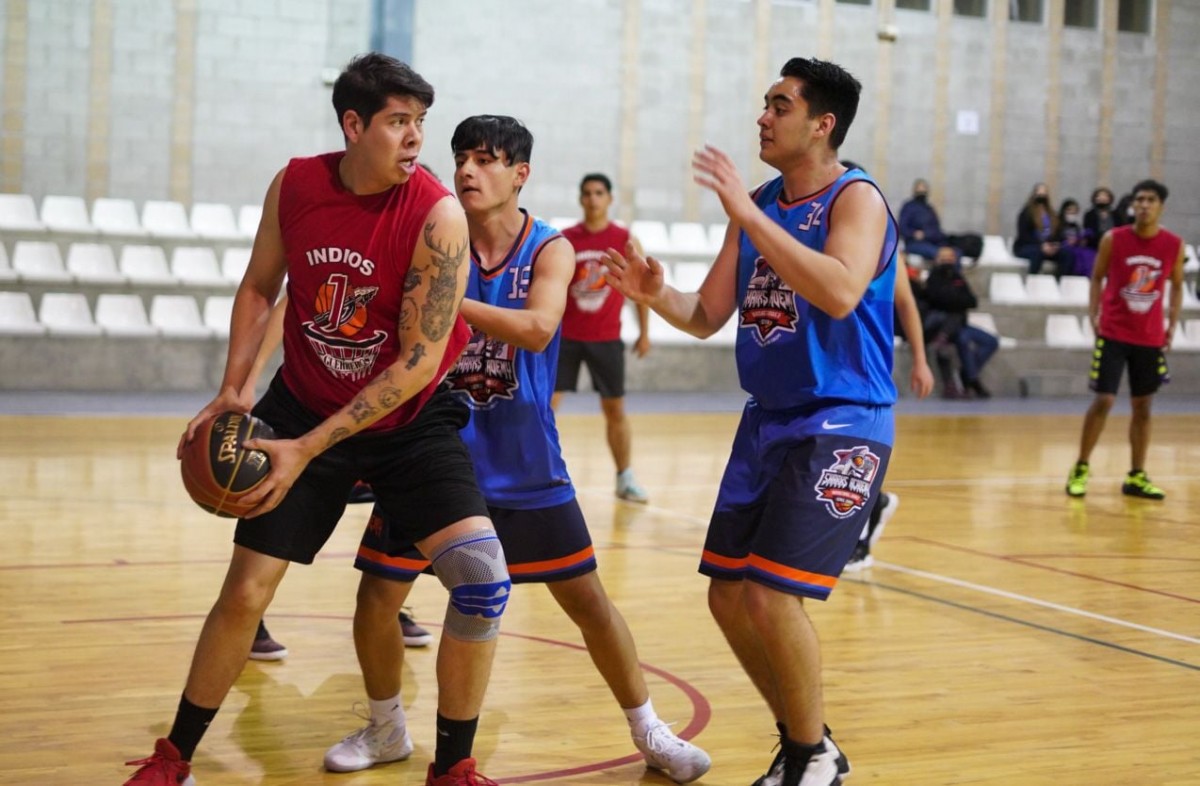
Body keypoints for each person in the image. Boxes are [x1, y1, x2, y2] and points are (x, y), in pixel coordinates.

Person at [122, 53, 510, 786]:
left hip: (407, 421)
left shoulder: (438, 214)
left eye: (420, 122)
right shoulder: (296, 183)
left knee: (482, 577)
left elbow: (419, 363)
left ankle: (453, 766)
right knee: (245, 591)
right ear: (353, 124)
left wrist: (310, 447)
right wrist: (235, 390)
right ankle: (173, 757)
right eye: (399, 122)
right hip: (301, 396)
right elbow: (259, 285)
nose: (415, 139)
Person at [323, 115, 711, 782]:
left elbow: (536, 329)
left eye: (485, 160)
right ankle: (386, 727)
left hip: (526, 460)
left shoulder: (550, 249)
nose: (468, 172)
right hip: (432, 460)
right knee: (376, 599)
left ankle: (650, 730)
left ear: (519, 174)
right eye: (461, 160)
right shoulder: (434, 239)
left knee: (588, 604)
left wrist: (443, 301)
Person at [605, 57, 896, 786]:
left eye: (780, 105)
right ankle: (810, 742)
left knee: (769, 593)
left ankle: (809, 757)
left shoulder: (855, 198)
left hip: (841, 419)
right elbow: (705, 316)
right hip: (766, 420)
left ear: (822, 124)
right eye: (764, 104)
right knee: (727, 595)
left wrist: (748, 215)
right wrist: (653, 293)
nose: (762, 117)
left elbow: (836, 291)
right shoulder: (763, 202)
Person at [238, 294, 434, 660]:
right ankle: (249, 612)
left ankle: (388, 606)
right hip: (321, 406)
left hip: (388, 414)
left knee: (398, 508)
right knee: (282, 510)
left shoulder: (436, 248)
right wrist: (249, 378)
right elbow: (289, 300)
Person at [1065, 179, 1184, 500]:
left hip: (1149, 337)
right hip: (1114, 332)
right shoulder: (1113, 239)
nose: (1143, 205)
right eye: (1139, 200)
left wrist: (1172, 324)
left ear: (1161, 206)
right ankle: (1081, 466)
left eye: (1150, 200)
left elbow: (1176, 285)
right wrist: (1094, 313)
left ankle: (1136, 475)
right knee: (1104, 399)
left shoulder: (1173, 244)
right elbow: (1097, 277)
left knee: (1143, 406)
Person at [551, 173, 651, 503]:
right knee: (546, 407)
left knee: (615, 409)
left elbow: (640, 290)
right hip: (565, 338)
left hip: (606, 338)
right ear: (581, 199)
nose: (593, 198)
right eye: (587, 193)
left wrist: (644, 333)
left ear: (609, 199)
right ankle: (541, 470)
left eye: (599, 193)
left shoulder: (624, 239)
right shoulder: (565, 239)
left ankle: (625, 477)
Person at [845, 271, 933, 572]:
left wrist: (920, 360)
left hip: (867, 370)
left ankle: (861, 545)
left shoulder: (881, 236)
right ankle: (877, 503)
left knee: (859, 458)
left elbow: (906, 303)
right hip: (830, 366)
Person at [922, 245, 998, 399]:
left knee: (991, 341)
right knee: (963, 340)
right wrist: (957, 301)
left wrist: (953, 301)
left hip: (961, 325)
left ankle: (968, 373)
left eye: (950, 258)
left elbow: (972, 300)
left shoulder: (958, 277)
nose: (947, 262)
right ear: (937, 260)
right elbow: (937, 300)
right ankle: (972, 380)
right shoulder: (933, 278)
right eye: (944, 258)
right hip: (942, 326)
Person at [896, 178, 983, 264]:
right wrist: (914, 234)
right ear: (914, 191)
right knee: (943, 255)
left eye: (924, 190)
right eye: (919, 190)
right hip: (915, 244)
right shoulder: (908, 207)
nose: (922, 192)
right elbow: (902, 228)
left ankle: (955, 278)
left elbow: (936, 229)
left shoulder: (929, 209)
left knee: (956, 253)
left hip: (933, 242)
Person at [1014, 182, 1071, 277]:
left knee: (1067, 255)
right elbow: (1024, 235)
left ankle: (1059, 283)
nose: (1042, 195)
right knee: (1037, 254)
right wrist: (1041, 246)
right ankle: (1032, 282)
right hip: (1027, 246)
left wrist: (1055, 245)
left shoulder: (1052, 215)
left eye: (1044, 193)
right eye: (1039, 193)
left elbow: (1058, 233)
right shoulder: (1026, 213)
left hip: (1049, 247)